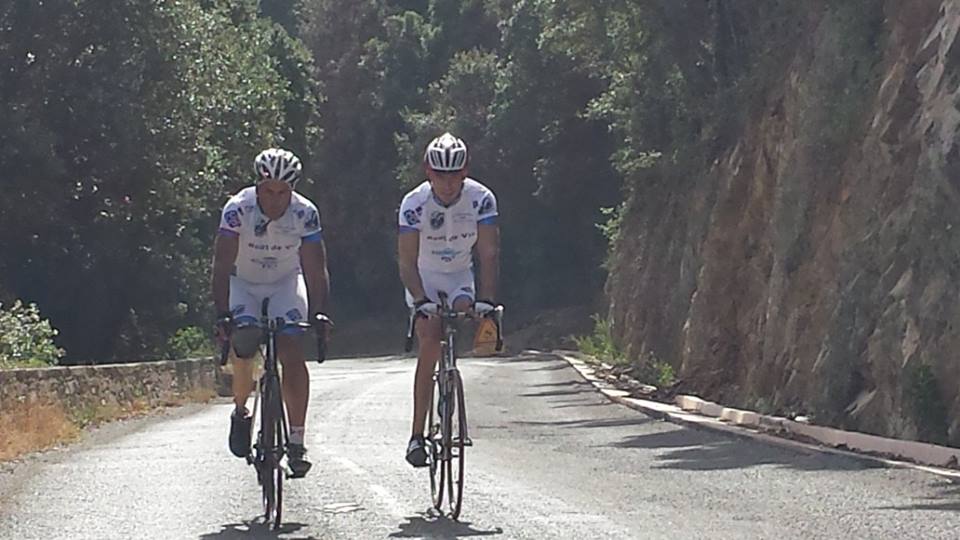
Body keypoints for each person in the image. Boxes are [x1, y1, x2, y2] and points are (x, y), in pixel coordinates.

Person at [211, 147, 330, 478]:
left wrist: (320, 312)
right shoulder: (238, 210)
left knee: (292, 350)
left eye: (283, 192)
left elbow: (315, 268)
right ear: (258, 187)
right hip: (243, 283)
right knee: (245, 343)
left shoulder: (305, 213)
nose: (276, 199)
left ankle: (296, 440)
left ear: (292, 190)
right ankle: (240, 410)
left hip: (285, 283)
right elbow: (221, 266)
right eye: (268, 191)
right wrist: (222, 313)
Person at [397, 132, 500, 467]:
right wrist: (419, 299)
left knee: (462, 313)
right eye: (440, 174)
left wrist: (486, 300)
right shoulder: (414, 203)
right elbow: (407, 262)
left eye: (454, 174)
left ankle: (449, 388)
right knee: (429, 338)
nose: (447, 182)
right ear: (429, 172)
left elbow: (488, 254)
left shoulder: (481, 199)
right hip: (424, 276)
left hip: (458, 276)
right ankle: (417, 435)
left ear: (464, 172)